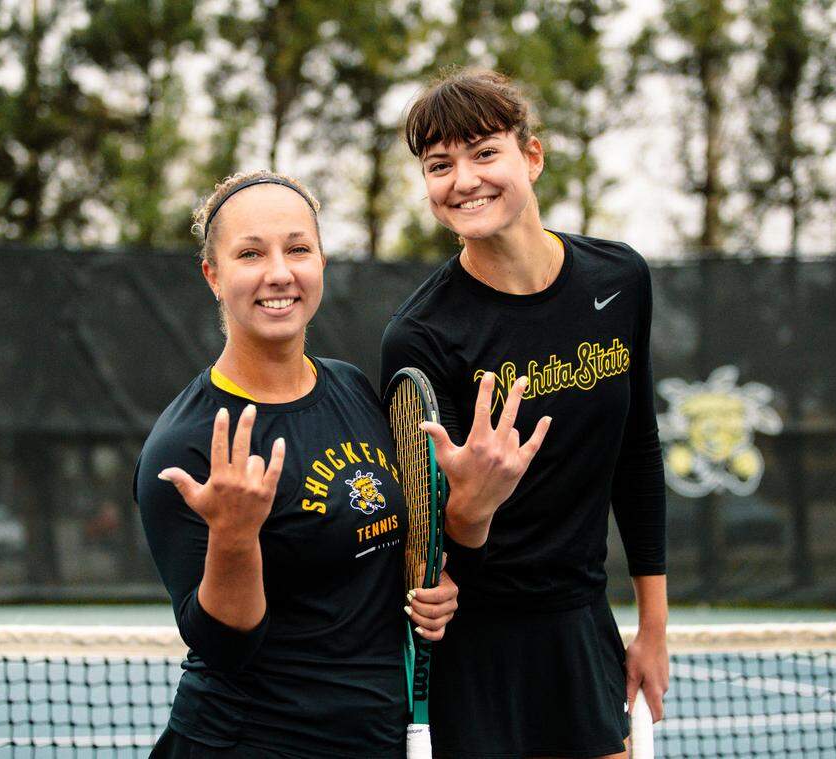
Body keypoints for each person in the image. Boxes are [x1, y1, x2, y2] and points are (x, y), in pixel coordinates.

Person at [134, 170, 544, 758]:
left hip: (373, 738)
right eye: (250, 253)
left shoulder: (352, 387)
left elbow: (379, 559)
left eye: (298, 248)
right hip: (251, 743)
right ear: (213, 275)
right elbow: (225, 649)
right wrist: (234, 537)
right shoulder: (185, 446)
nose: (279, 272)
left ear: (321, 262)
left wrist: (452, 554)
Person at [380, 68, 669, 759]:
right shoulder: (420, 335)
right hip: (471, 647)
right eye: (439, 164)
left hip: (580, 626)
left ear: (531, 156)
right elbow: (433, 525)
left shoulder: (620, 280)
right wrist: (469, 507)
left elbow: (638, 453)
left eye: (484, 152)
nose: (464, 179)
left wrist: (653, 625)